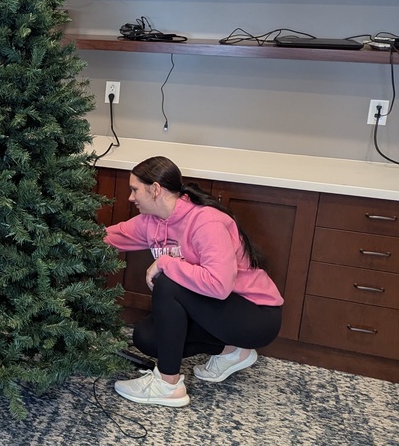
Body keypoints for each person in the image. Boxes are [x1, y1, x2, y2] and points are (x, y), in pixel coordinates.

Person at [105, 156, 283, 407]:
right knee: (147, 337)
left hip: (256, 315)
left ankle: (168, 386)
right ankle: (233, 352)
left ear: (155, 189)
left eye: (135, 190)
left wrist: (166, 262)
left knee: (168, 282)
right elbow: (112, 236)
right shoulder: (153, 221)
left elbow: (219, 286)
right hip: (218, 311)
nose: (131, 198)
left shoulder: (206, 222)